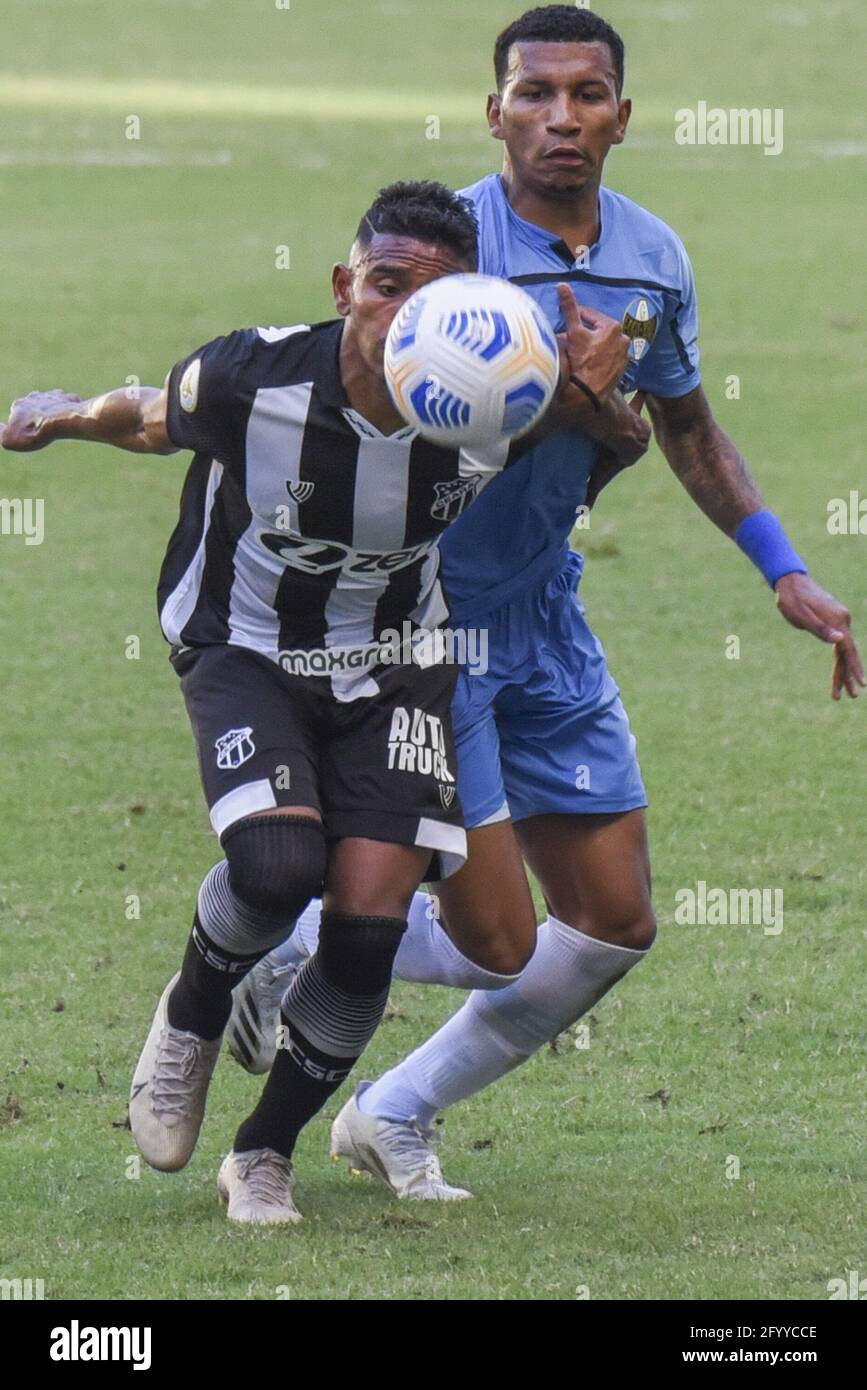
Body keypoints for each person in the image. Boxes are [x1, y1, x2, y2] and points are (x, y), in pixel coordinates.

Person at [229, 6, 863, 1202]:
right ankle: (308, 945)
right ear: (495, 112)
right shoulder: (442, 263)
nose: (559, 118)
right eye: (534, 94)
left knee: (615, 921)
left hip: (545, 615)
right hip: (425, 623)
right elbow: (389, 446)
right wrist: (564, 404)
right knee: (494, 941)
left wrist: (782, 566)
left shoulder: (653, 259)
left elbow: (676, 428)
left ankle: (392, 1112)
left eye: (585, 95)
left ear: (622, 116)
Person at [1, 178, 631, 1223]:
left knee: (367, 924)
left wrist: (605, 398)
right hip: (245, 642)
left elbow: (608, 435)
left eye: (427, 294)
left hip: (397, 659)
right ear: (346, 285)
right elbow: (151, 417)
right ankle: (195, 1011)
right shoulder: (251, 377)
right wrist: (60, 415)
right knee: (279, 863)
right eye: (382, 286)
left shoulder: (497, 393)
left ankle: (263, 1153)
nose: (398, 313)